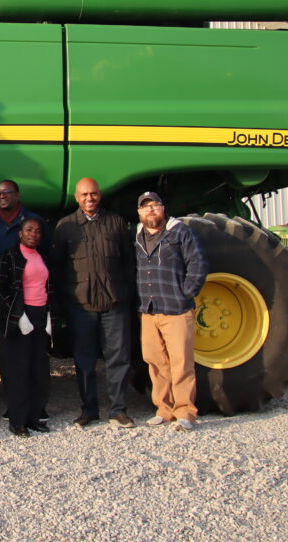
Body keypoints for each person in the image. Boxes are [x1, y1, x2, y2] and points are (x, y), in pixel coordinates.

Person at [53, 177, 135, 428]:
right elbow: (58, 269)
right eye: (85, 195)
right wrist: (65, 303)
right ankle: (89, 410)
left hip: (114, 304)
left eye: (94, 194)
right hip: (81, 308)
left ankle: (118, 410)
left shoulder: (116, 223)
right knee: (84, 361)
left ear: (100, 195)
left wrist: (126, 295)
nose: (90, 198)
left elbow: (129, 263)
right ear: (77, 198)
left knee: (118, 359)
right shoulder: (65, 227)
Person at [134, 192, 208, 432]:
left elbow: (197, 264)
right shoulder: (137, 237)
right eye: (146, 207)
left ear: (163, 209)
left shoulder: (180, 232)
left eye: (155, 205)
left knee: (181, 361)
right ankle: (164, 409)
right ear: (139, 213)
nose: (151, 210)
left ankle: (185, 411)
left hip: (176, 309)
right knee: (155, 362)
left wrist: (186, 293)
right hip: (149, 309)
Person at [0, 179, 50, 422]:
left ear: (18, 195)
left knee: (37, 356)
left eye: (7, 192)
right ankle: (15, 404)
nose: (2, 196)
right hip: (4, 302)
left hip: (33, 301)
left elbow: (46, 256)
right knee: (9, 357)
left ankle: (38, 405)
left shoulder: (34, 221)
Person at [0, 218, 52, 436]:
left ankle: (35, 417)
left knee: (38, 367)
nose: (33, 234)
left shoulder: (43, 256)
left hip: (40, 314)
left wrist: (48, 315)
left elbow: (48, 286)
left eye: (37, 231)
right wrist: (18, 315)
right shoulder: (10, 256)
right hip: (20, 315)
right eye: (29, 230)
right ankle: (18, 420)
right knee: (19, 369)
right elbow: (0, 287)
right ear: (20, 233)